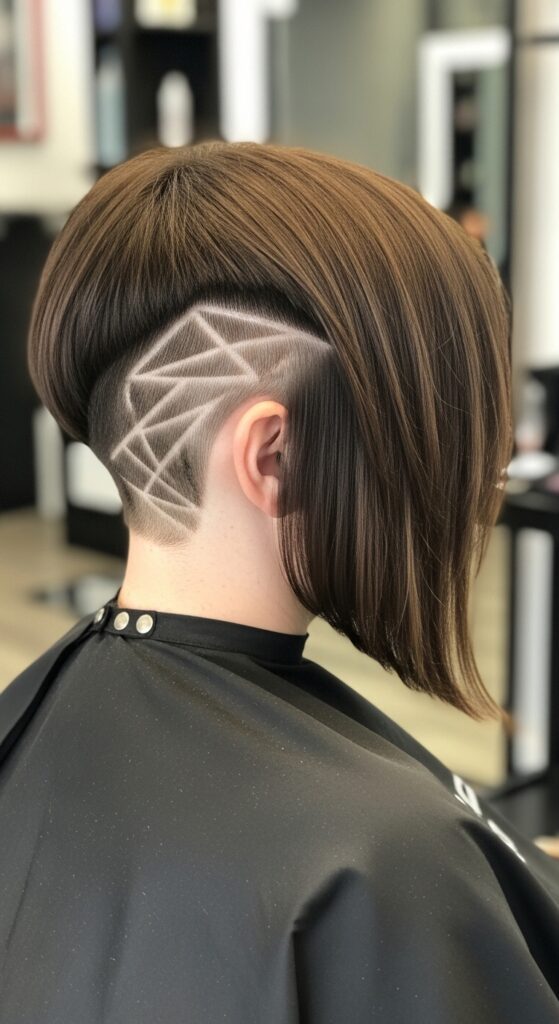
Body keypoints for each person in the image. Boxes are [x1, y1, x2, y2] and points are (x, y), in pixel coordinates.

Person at [1, 140, 558, 1023]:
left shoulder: (28, 713)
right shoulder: (383, 856)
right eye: (428, 430)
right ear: (275, 455)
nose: (465, 477)